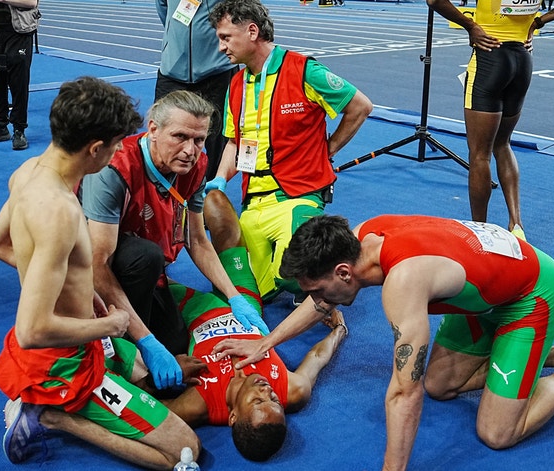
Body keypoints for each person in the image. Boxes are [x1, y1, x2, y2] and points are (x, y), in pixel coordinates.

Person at [216, 214, 554, 470]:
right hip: (483, 293)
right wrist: (265, 343)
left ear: (343, 272)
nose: (318, 301)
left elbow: (403, 395)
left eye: (319, 290)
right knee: (440, 386)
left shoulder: (404, 282)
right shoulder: (360, 237)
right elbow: (322, 299)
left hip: (531, 296)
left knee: (497, 433)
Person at [0, 76, 207, 468]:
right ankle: (52, 416)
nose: (120, 150)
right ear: (94, 149)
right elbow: (32, 330)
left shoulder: (27, 173)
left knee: (157, 369)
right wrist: (113, 325)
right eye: (115, 144)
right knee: (183, 450)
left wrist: (73, 288)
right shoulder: (61, 211)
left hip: (79, 342)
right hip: (65, 363)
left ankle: (68, 395)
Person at [79, 90, 267, 393]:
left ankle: (141, 327)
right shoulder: (114, 169)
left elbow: (197, 240)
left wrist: (235, 297)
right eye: (179, 136)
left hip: (146, 271)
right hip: (93, 275)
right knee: (145, 256)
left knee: (178, 343)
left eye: (199, 139)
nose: (190, 150)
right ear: (153, 129)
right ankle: (119, 344)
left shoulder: (196, 165)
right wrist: (145, 341)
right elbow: (96, 264)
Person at [205, 0, 373, 304]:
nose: (221, 48)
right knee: (243, 291)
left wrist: (328, 149)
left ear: (252, 31)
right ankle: (303, 280)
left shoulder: (304, 70)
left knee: (294, 273)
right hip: (253, 204)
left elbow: (360, 106)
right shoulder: (236, 83)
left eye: (226, 37)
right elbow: (234, 142)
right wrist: (218, 180)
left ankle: (313, 273)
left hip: (298, 196)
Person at [161, 190, 347, 462]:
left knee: (147, 272)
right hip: (245, 306)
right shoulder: (291, 391)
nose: (267, 391)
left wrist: (159, 377)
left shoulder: (200, 404)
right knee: (215, 202)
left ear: (233, 416)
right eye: (274, 402)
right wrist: (339, 331)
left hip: (197, 312)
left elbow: (144, 409)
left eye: (259, 401)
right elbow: (318, 358)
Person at [426, 0, 554, 240]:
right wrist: (539, 22)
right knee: (503, 144)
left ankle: (480, 233)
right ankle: (516, 225)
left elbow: (434, 1)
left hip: (489, 56)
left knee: (479, 155)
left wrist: (469, 25)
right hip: (522, 60)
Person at [154, 0, 238, 180]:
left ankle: (211, 195)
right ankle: (164, 195)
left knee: (219, 141)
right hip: (172, 70)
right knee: (163, 135)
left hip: (217, 71)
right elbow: (163, 7)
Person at [0, 0, 40, 151]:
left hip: (19, 32)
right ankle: (0, 127)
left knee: (18, 82)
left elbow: (31, 2)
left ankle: (19, 130)